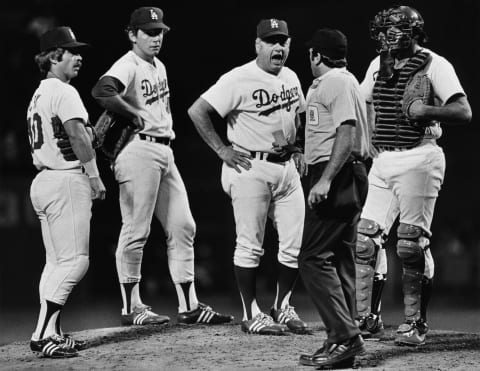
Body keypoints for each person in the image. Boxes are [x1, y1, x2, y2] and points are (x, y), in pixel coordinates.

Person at [91, 7, 233, 326]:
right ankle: (132, 308)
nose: (156, 38)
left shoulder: (160, 65)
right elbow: (102, 90)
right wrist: (130, 110)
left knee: (184, 226)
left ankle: (190, 306)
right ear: (132, 34)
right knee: (136, 230)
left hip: (164, 150)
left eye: (159, 32)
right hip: (138, 151)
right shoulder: (127, 64)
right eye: (149, 32)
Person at [355, 5, 472, 346]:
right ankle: (368, 317)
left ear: (414, 32)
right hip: (385, 159)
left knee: (409, 242)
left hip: (421, 156)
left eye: (396, 28)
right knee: (365, 239)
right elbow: (364, 100)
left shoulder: (436, 64)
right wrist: (368, 140)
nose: (388, 35)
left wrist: (428, 110)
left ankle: (414, 323)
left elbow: (463, 111)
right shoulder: (379, 64)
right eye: (386, 29)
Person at [188, 18, 308, 335]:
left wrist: (297, 148)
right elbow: (197, 111)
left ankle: (282, 307)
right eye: (270, 41)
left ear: (290, 44)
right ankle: (250, 313)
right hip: (249, 167)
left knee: (294, 246)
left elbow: (299, 116)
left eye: (282, 41)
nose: (277, 47)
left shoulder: (292, 77)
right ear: (257, 45)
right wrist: (221, 149)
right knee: (250, 245)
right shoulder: (238, 78)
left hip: (286, 169)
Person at [27, 26, 106, 358]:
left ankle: (51, 332)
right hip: (65, 180)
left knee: (56, 263)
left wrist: (88, 134)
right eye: (72, 51)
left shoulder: (39, 94)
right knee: (76, 263)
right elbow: (76, 135)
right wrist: (94, 176)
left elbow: (74, 133)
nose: (79, 56)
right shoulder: (64, 91)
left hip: (43, 180)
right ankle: (44, 334)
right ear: (55, 55)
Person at [298, 29, 371, 368]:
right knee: (341, 259)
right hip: (348, 173)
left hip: (337, 173)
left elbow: (347, 128)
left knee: (313, 258)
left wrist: (325, 178)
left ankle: (345, 336)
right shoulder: (346, 81)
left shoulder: (335, 82)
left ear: (316, 55)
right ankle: (342, 341)